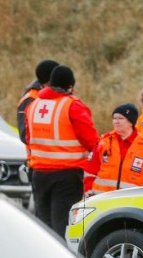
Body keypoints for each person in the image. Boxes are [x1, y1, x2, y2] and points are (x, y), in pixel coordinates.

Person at [26, 65, 99, 236]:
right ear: (70, 86)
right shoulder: (73, 106)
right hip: (67, 175)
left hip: (39, 174)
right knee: (64, 227)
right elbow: (92, 141)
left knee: (44, 227)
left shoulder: (34, 105)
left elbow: (28, 138)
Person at [84, 103, 143, 195]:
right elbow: (90, 173)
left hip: (133, 203)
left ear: (131, 122)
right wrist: (89, 194)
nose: (116, 121)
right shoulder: (103, 143)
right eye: (114, 118)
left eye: (120, 118)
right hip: (102, 201)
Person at [17, 59, 58, 144]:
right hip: (38, 155)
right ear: (50, 81)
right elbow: (24, 135)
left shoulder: (58, 95)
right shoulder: (30, 99)